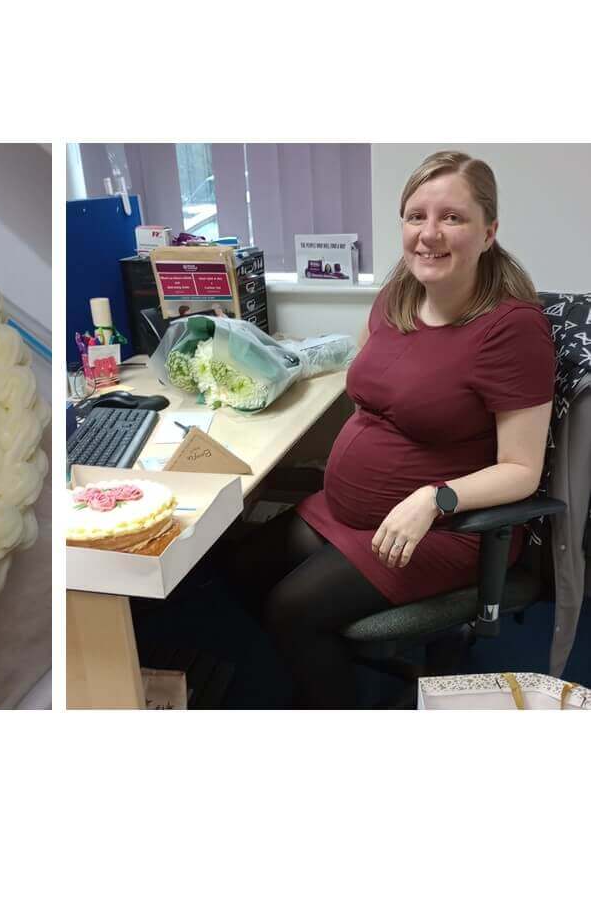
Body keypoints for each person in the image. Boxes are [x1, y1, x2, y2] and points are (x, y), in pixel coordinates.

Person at [236, 151, 554, 707]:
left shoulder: (511, 330)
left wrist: (436, 498)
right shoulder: (398, 297)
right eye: (415, 216)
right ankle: (323, 664)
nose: (428, 234)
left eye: (451, 217)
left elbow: (522, 471)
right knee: (237, 567)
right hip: (346, 512)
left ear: (488, 232)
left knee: (293, 610)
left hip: (442, 529)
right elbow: (368, 389)